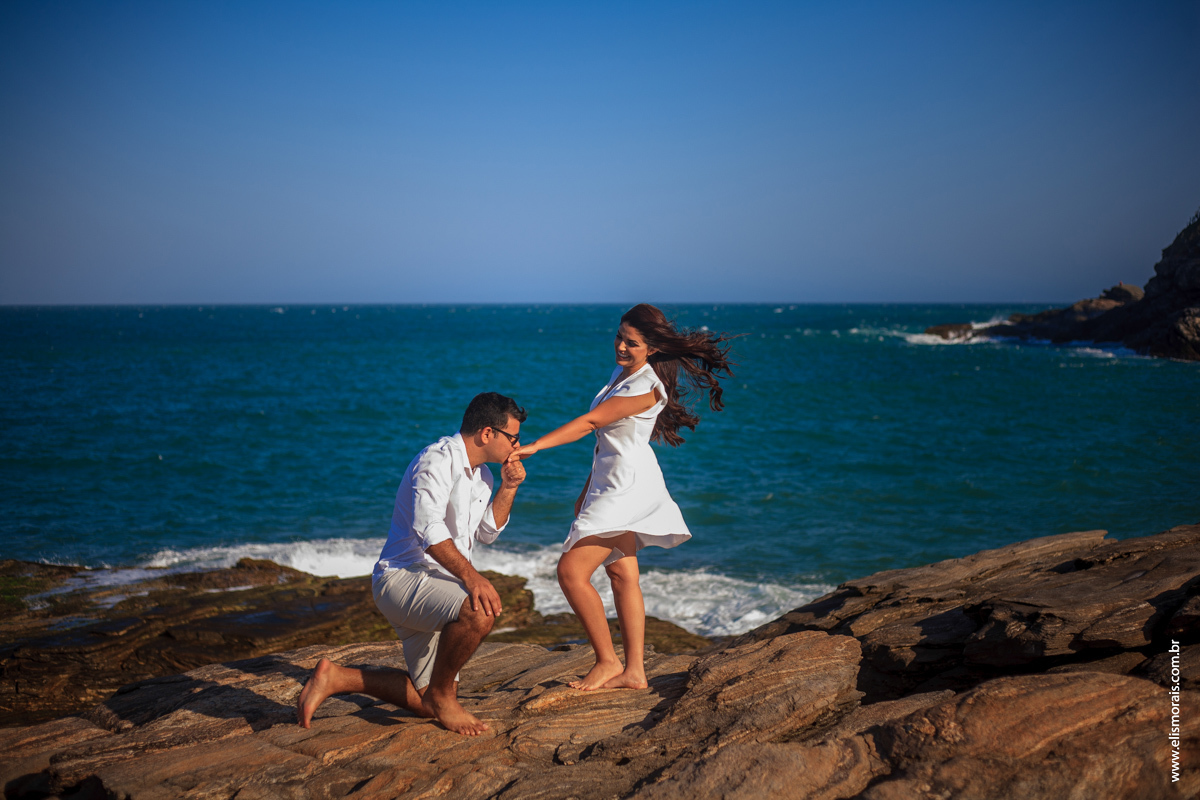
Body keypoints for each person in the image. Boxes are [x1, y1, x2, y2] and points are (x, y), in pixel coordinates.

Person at [507, 304, 734, 691]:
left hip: (624, 488)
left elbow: (592, 422)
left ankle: (608, 662)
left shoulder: (646, 388)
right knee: (622, 574)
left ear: (652, 349)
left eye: (633, 343)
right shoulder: (622, 374)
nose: (622, 347)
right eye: (620, 337)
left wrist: (536, 446)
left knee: (570, 573)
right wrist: (585, 491)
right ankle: (635, 672)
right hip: (612, 481)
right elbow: (605, 444)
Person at [297, 392, 527, 736]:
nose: (518, 445)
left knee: (426, 706)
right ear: (487, 434)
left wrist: (509, 487)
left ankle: (336, 678)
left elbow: (487, 533)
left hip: (436, 587)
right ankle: (443, 696)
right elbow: (427, 529)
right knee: (480, 611)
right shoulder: (436, 461)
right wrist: (472, 578)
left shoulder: (484, 478)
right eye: (513, 437)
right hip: (402, 579)